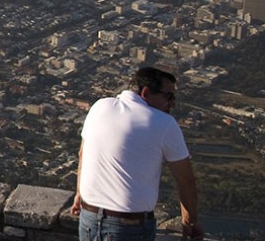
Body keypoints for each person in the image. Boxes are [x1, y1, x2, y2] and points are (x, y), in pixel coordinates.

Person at [72, 66, 202, 241]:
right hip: (128, 228)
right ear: (146, 92)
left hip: (88, 218)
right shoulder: (164, 123)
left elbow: (83, 155)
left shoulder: (100, 106)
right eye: (168, 97)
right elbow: (185, 180)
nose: (172, 104)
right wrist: (189, 222)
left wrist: (80, 195)